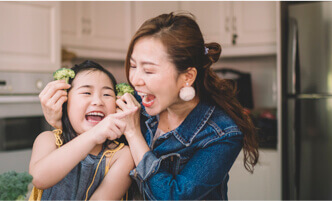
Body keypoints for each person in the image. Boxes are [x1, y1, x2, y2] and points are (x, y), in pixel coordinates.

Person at [40, 12, 259, 200]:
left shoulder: (222, 134)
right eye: (133, 66)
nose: (135, 79)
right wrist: (61, 122)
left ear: (187, 77)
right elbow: (94, 145)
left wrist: (134, 134)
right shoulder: (136, 103)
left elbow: (173, 196)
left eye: (149, 70)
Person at [29, 60, 135, 200]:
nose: (97, 101)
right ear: (65, 102)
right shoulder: (48, 139)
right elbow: (39, 178)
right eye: (86, 92)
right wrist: (93, 135)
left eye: (107, 95)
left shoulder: (122, 155)